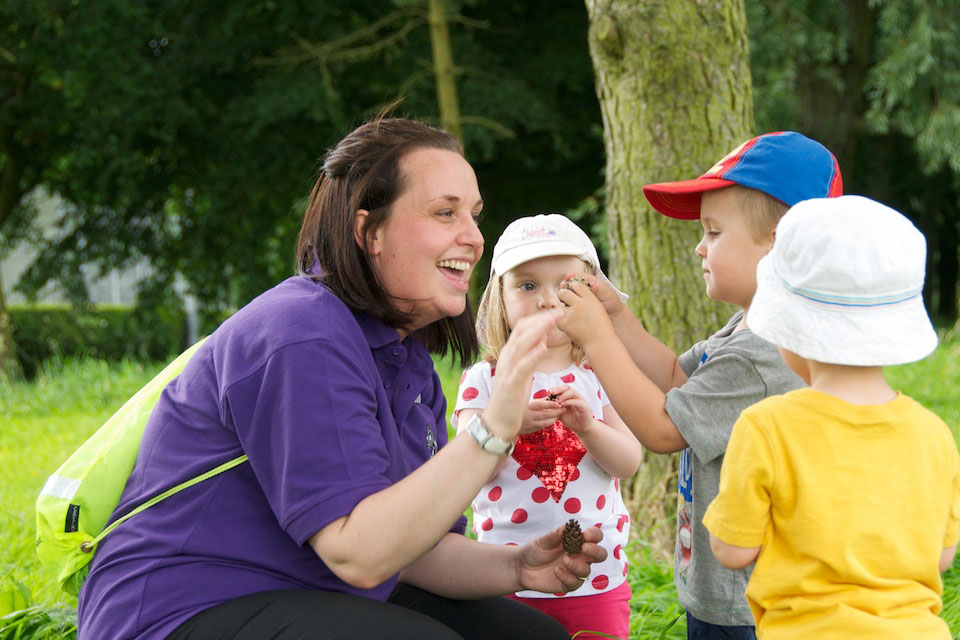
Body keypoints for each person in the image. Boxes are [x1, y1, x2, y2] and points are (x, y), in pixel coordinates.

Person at [76, 117, 607, 640]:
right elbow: (359, 553)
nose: (472, 237)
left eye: (473, 214)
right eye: (445, 212)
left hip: (308, 591)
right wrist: (494, 426)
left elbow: (413, 548)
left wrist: (517, 568)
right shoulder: (303, 334)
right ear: (368, 232)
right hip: (179, 610)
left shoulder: (406, 355)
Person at [556, 131, 843, 639]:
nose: (698, 247)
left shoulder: (765, 352)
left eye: (713, 232)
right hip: (725, 588)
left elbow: (666, 430)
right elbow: (675, 379)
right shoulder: (747, 325)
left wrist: (598, 341)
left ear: (779, 246)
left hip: (749, 604)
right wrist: (617, 317)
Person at [703, 195, 960, 639]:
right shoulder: (934, 433)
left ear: (789, 325)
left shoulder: (767, 427)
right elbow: (940, 557)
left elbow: (731, 550)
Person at [453, 214, 643, 639]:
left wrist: (589, 428)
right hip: (503, 577)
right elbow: (462, 474)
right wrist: (507, 426)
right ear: (499, 297)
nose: (546, 300)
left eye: (565, 285)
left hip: (595, 574)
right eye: (527, 286)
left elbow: (629, 461)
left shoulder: (599, 372)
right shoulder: (485, 379)